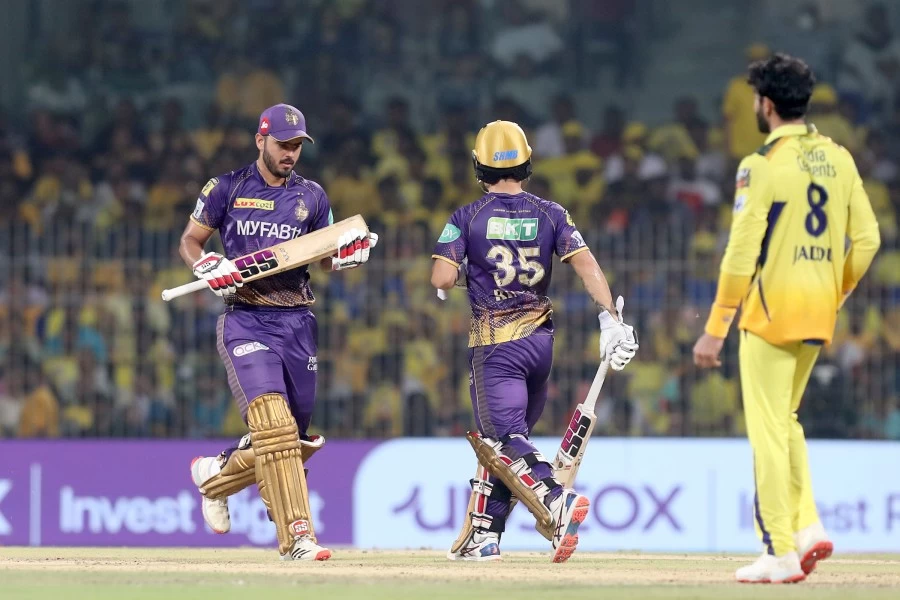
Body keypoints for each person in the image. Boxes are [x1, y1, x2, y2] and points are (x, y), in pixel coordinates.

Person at [693, 54, 881, 583]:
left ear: (767, 105)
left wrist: (715, 328)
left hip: (771, 312)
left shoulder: (760, 165)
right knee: (786, 420)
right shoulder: (839, 157)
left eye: (756, 100)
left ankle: (778, 550)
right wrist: (835, 292)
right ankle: (808, 527)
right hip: (819, 310)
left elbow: (740, 254)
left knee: (767, 433)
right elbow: (868, 240)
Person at [431, 121, 638, 562]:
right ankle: (483, 535)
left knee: (503, 440)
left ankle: (556, 499)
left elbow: (442, 277)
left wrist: (462, 275)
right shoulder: (551, 213)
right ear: (527, 163)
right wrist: (611, 319)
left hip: (495, 345)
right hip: (540, 344)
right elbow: (587, 265)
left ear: (479, 167)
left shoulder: (466, 217)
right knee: (504, 444)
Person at [181, 104, 378, 561]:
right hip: (245, 318)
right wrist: (205, 264)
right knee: (274, 425)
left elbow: (326, 257)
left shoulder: (313, 196)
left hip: (298, 324)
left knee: (294, 440)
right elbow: (190, 241)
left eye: (297, 146)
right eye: (283, 144)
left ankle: (215, 479)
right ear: (260, 140)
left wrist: (348, 256)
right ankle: (298, 538)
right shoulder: (226, 187)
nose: (290, 153)